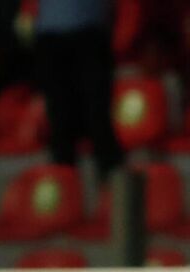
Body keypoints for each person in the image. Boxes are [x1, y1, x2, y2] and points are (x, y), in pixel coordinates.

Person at [33, 0, 123, 178]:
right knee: (60, 121)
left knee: (98, 116)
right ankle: (65, 189)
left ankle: (112, 189)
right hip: (51, 37)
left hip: (90, 35)